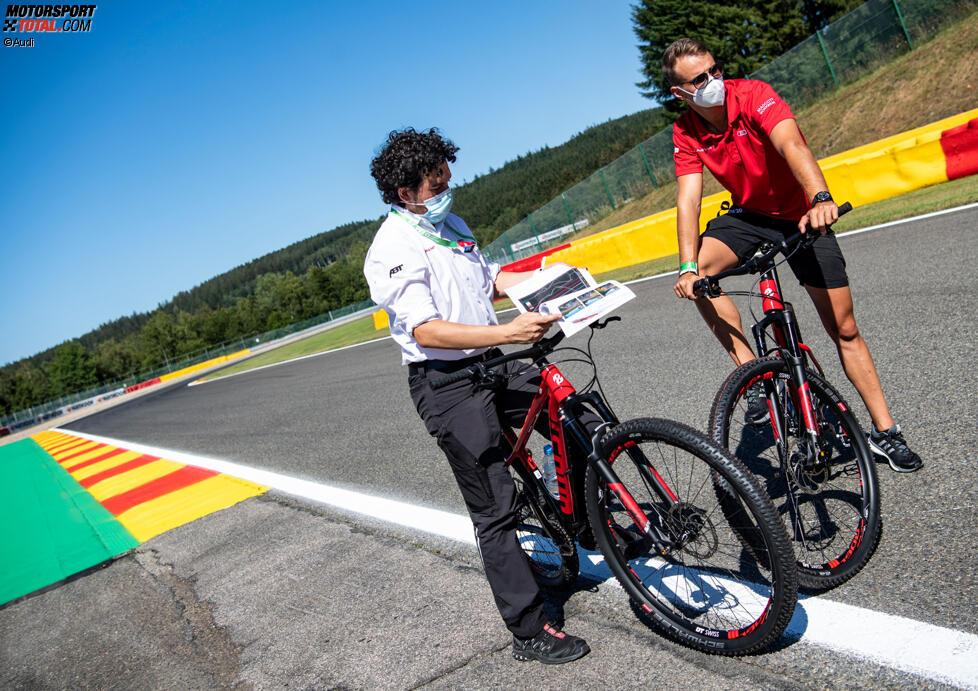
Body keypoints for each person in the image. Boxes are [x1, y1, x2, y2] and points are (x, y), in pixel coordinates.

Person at [363, 128, 591, 664]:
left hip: (491, 358)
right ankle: (529, 630)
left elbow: (483, 282)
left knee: (572, 416)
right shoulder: (391, 247)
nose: (448, 186)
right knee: (494, 507)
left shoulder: (450, 224)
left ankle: (590, 524)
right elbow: (428, 331)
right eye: (437, 180)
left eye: (447, 175)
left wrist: (546, 277)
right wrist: (510, 333)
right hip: (446, 381)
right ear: (406, 192)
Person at [665, 38, 922, 472]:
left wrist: (820, 196)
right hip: (750, 216)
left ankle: (886, 433)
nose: (713, 82)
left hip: (802, 211)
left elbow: (792, 146)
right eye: (699, 80)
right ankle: (756, 377)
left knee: (843, 328)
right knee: (701, 278)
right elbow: (688, 199)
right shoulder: (685, 131)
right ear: (681, 94)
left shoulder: (753, 95)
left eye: (714, 70)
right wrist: (687, 267)